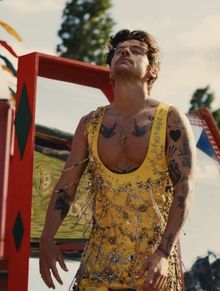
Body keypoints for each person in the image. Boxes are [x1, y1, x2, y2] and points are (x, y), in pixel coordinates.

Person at [39, 29, 196, 291]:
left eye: (137, 50)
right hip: (98, 267)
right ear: (110, 70)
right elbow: (67, 186)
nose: (125, 51)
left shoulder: (170, 119)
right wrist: (46, 238)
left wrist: (163, 254)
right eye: (119, 50)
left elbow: (185, 188)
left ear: (151, 71)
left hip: (151, 270)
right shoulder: (90, 123)